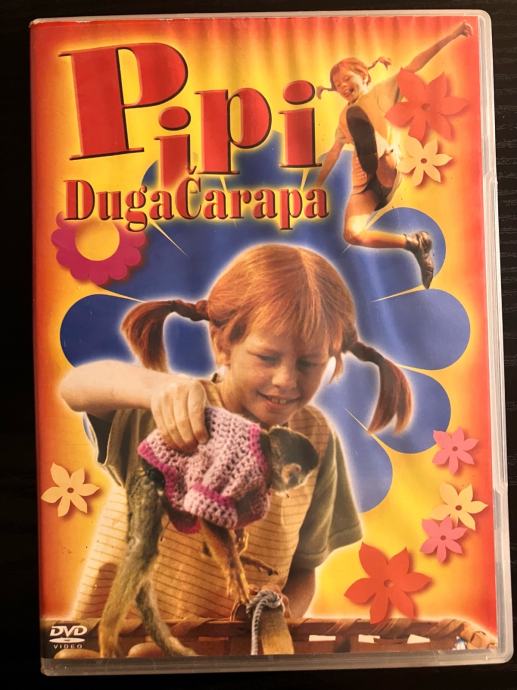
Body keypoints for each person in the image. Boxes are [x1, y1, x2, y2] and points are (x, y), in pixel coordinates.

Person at [60, 244, 411, 627]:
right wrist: (154, 389)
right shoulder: (174, 411)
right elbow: (75, 388)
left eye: (309, 363)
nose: (286, 380)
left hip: (235, 651)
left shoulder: (317, 440)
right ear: (221, 344)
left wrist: (281, 614)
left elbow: (303, 570)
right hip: (117, 643)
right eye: (267, 357)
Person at [316, 21, 472, 289]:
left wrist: (452, 35)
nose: (342, 86)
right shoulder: (344, 117)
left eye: (347, 79)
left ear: (364, 75)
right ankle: (414, 243)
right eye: (337, 85)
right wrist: (316, 185)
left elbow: (415, 64)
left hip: (386, 168)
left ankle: (374, 146)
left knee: (373, 138)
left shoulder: (383, 91)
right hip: (364, 185)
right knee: (352, 234)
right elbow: (333, 153)